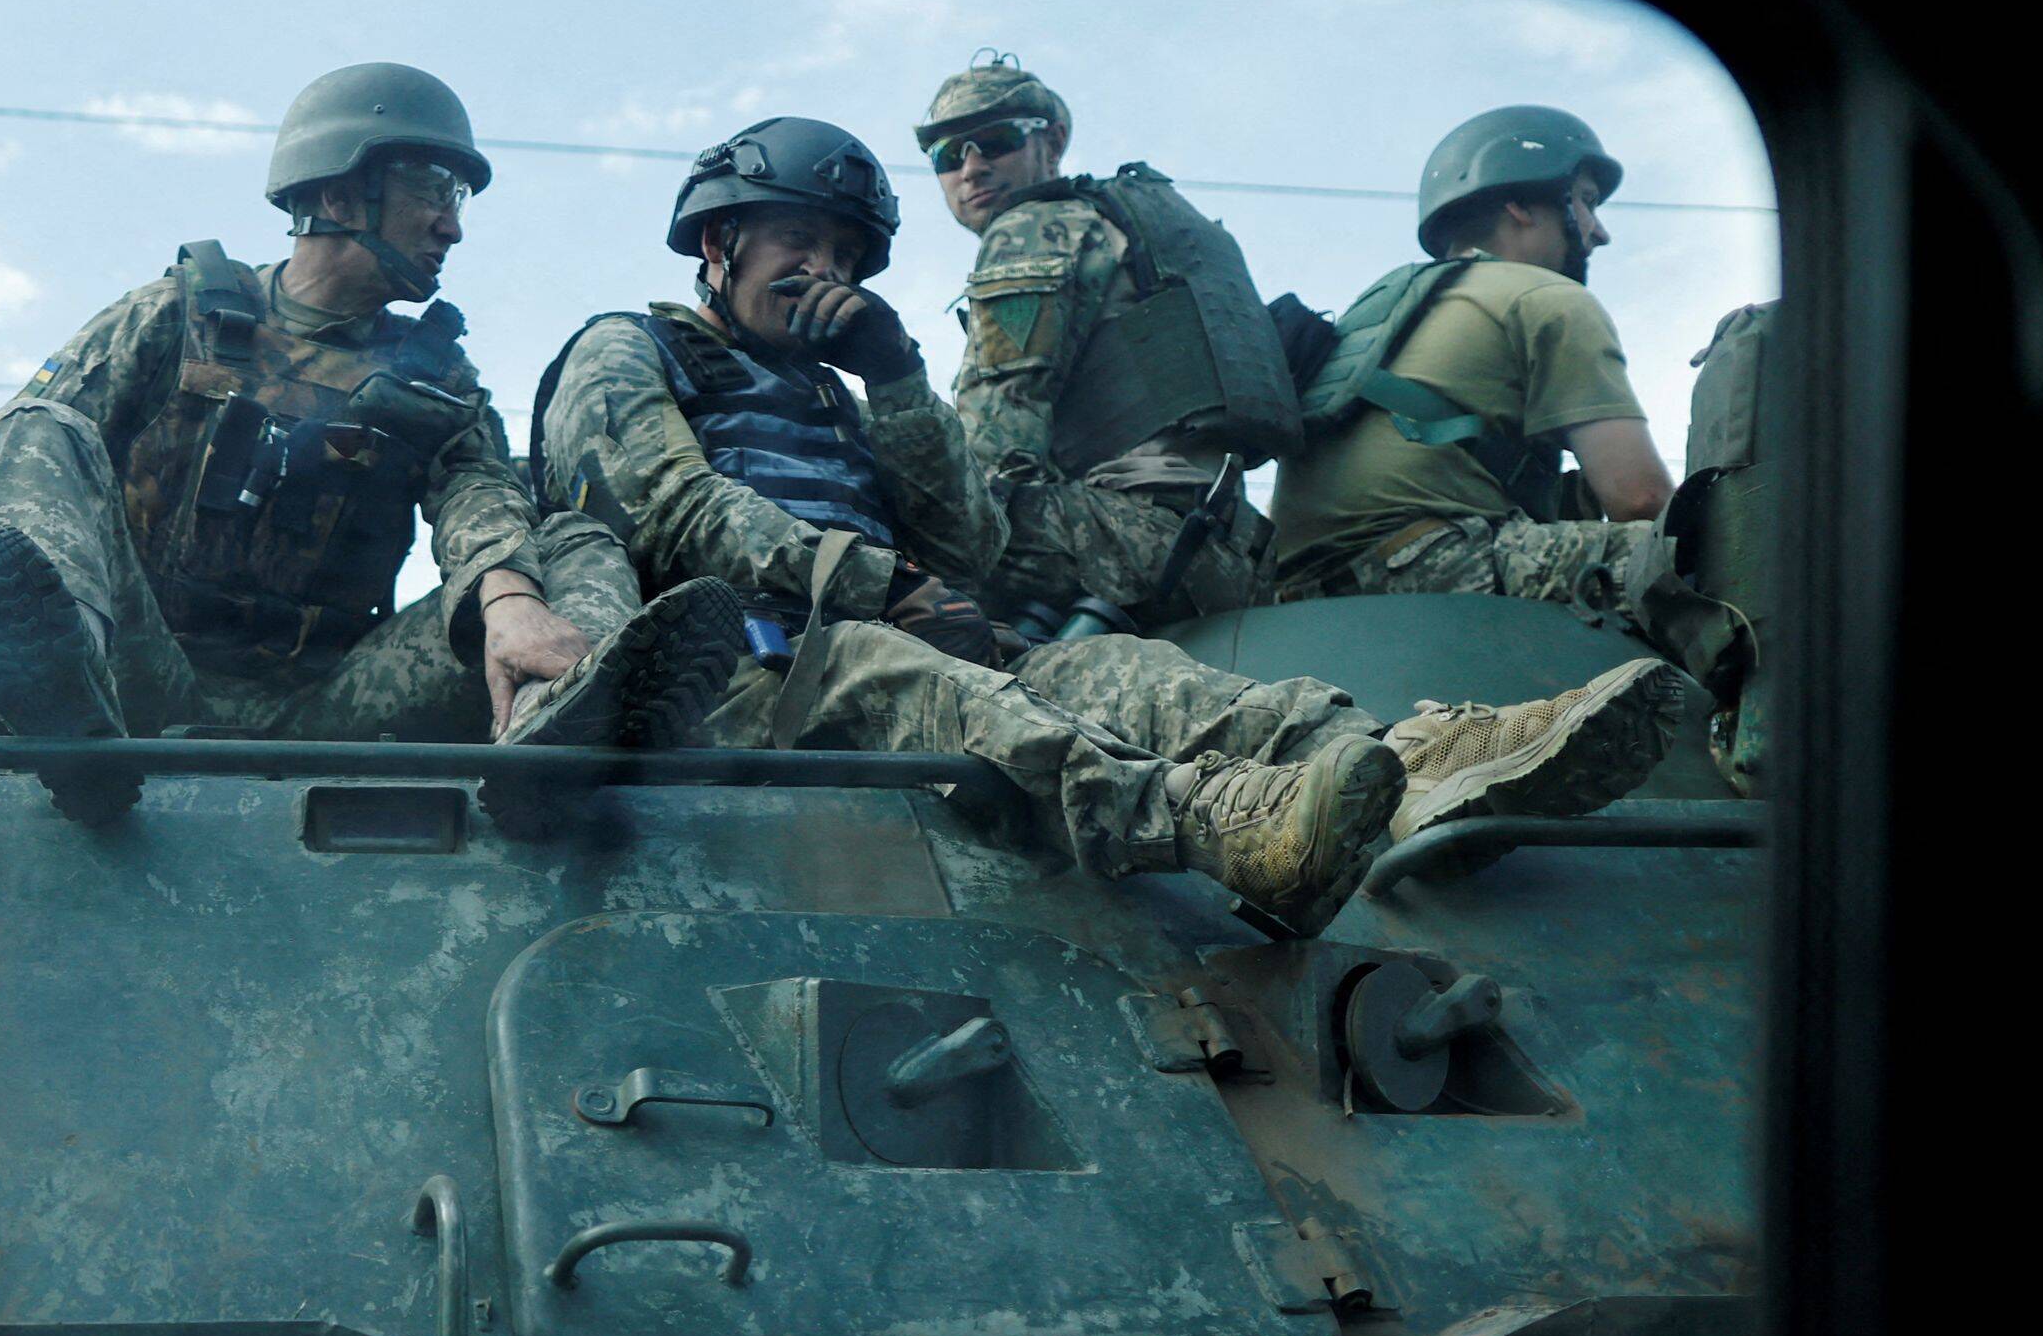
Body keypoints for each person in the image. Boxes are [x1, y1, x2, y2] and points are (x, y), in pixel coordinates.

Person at [529, 116, 1681, 934]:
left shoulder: (836, 397)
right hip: (744, 681)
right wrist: (871, 583)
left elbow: (962, 540)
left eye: (842, 253)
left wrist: (892, 383)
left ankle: (1408, 758)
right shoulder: (626, 348)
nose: (819, 270)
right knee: (889, 664)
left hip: (901, 650)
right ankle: (1208, 821)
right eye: (797, 243)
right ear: (718, 242)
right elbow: (669, 508)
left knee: (1125, 671)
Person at [0, 63, 716, 757]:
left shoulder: (440, 378)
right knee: (43, 428)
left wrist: (511, 600)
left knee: (571, 541)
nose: (452, 226)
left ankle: (558, 737)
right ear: (335, 192)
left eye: (457, 198)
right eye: (430, 192)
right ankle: (58, 700)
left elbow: (484, 508)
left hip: (327, 705)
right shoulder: (177, 315)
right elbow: (5, 481)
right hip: (129, 675)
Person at [1267, 105, 1752, 760]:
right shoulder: (1546, 297)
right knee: (1716, 548)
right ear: (1522, 204)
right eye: (1582, 201)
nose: (1599, 230)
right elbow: (1641, 503)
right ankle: (1761, 752)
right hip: (1421, 559)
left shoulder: (1389, 305)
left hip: (1292, 584)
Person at [918, 52, 1301, 635]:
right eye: (948, 156)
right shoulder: (1139, 226)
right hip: (1226, 544)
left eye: (993, 141)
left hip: (1139, 540)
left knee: (899, 531)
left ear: (1054, 138)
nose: (970, 169)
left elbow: (995, 444)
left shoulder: (1035, 228)